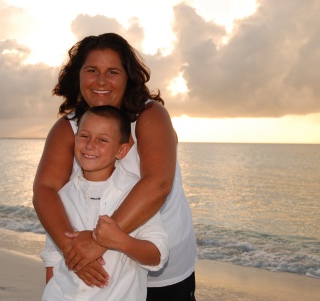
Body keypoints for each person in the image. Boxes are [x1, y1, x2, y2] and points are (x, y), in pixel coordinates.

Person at [33, 32, 197, 301]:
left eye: (112, 72)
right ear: (78, 75)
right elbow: (45, 190)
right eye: (92, 70)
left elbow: (158, 183)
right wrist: (73, 252)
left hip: (161, 268)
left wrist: (96, 242)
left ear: (127, 77)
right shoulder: (69, 127)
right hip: (100, 280)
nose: (101, 80)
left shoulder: (149, 115)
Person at [40, 105, 169, 301]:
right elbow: (52, 259)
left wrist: (122, 241)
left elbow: (158, 255)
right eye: (84, 136)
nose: (90, 145)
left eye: (102, 140)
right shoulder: (63, 195)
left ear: (121, 150)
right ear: (74, 140)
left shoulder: (135, 195)